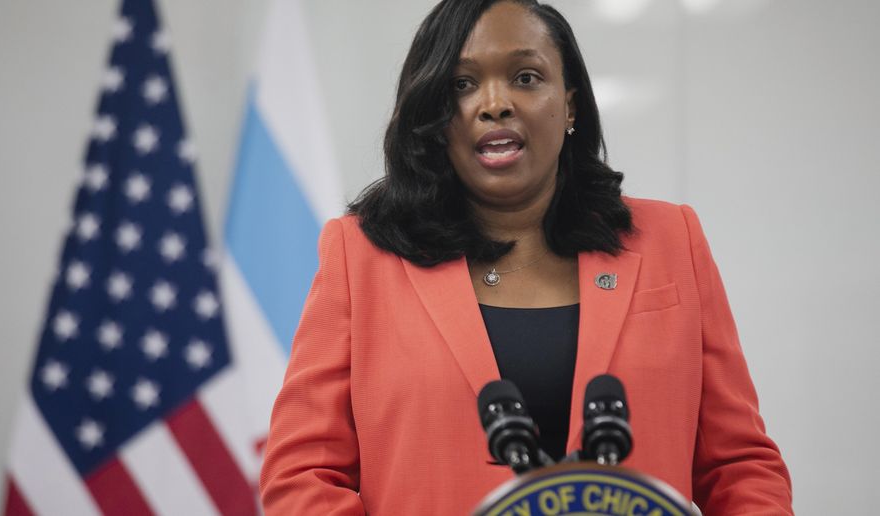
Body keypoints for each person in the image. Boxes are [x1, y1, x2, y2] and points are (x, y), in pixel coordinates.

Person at [259, 0, 793, 513]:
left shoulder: (670, 240)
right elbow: (303, 475)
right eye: (463, 84)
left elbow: (739, 466)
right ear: (435, 115)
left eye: (526, 77)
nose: (495, 103)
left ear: (571, 106)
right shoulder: (361, 256)